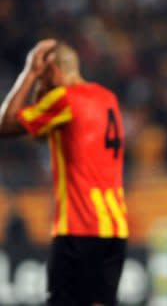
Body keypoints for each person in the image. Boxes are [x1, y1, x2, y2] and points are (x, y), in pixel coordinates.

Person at [0, 39, 128, 306]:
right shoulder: (108, 98)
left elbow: (5, 124)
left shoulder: (65, 99)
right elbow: (46, 134)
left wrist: (29, 73)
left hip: (78, 227)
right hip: (114, 227)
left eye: (44, 76)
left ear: (54, 70)